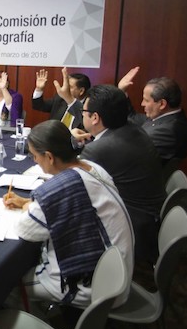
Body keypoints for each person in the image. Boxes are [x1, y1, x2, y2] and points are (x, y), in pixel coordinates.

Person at [3, 120, 134, 308]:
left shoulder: (59, 189)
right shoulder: (91, 167)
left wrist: (28, 208)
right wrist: (27, 203)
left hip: (96, 286)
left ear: (49, 157)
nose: (35, 161)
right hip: (117, 272)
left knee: (5, 285)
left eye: (34, 156)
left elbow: (24, 229)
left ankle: (38, 324)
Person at [71, 84, 166, 262]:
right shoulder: (131, 128)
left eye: (83, 112)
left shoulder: (101, 148)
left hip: (132, 225)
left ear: (95, 117)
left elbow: (70, 184)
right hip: (149, 217)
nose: (82, 115)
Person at [118, 67, 187, 166]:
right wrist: (122, 91)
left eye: (146, 100)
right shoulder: (167, 117)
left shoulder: (166, 132)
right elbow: (133, 117)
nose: (142, 104)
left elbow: (126, 153)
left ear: (162, 104)